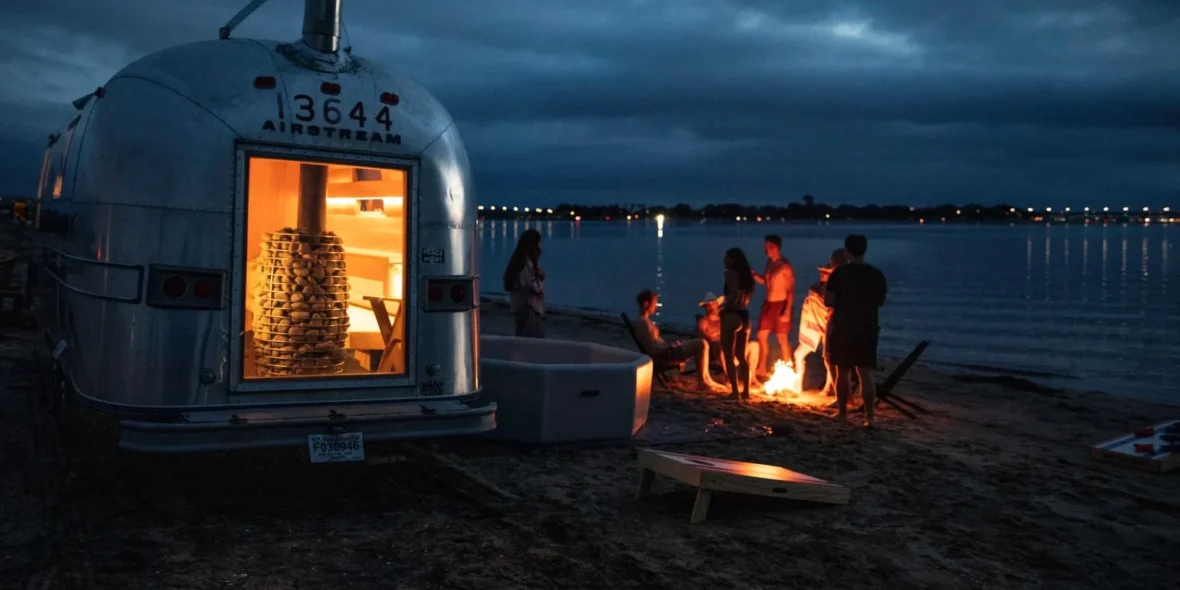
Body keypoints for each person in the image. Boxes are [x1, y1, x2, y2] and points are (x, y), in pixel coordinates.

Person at [824, 234, 887, 427]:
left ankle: (843, 413)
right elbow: (881, 302)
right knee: (865, 373)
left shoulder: (838, 274)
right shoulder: (876, 274)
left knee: (842, 371)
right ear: (865, 250)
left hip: (844, 326)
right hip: (867, 327)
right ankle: (870, 417)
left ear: (846, 251)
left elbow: (828, 301)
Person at [634, 289, 725, 392]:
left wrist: (671, 344)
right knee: (702, 343)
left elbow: (656, 343)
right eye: (654, 302)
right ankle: (703, 381)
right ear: (646, 304)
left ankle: (705, 378)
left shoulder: (647, 322)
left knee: (699, 343)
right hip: (666, 355)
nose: (656, 305)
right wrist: (669, 346)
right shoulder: (642, 323)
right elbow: (652, 349)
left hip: (667, 351)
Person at [794, 248, 854, 395]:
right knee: (799, 354)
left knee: (829, 359)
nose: (821, 273)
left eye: (825, 272)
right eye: (821, 271)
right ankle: (798, 386)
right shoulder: (817, 287)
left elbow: (829, 306)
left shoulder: (834, 289)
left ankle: (829, 388)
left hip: (829, 325)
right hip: (814, 326)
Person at [751, 235, 795, 381]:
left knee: (782, 338)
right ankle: (761, 368)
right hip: (768, 304)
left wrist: (787, 311)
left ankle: (788, 369)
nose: (765, 250)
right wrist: (753, 275)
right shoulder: (769, 262)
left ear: (775, 247)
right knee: (761, 336)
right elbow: (765, 281)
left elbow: (790, 291)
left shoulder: (785, 266)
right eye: (765, 247)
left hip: (781, 304)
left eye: (767, 247)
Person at [696, 292, 761, 384]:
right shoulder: (703, 322)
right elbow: (707, 340)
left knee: (754, 345)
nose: (711, 307)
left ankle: (752, 377)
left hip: (734, 349)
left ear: (717, 304)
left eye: (713, 304)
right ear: (705, 307)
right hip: (718, 352)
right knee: (722, 346)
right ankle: (730, 377)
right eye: (708, 305)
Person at [721, 248, 756, 400]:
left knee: (728, 355)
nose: (724, 261)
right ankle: (746, 391)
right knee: (741, 356)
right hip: (745, 315)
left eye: (726, 258)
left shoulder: (730, 273)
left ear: (733, 260)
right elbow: (745, 297)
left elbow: (734, 294)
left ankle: (735, 392)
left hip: (733, 315)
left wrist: (724, 307)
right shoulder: (748, 277)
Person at [502, 229, 545, 338]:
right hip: (527, 306)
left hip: (525, 305)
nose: (541, 245)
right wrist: (539, 282)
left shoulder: (522, 261)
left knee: (530, 337)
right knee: (529, 339)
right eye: (539, 242)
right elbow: (530, 285)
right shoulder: (524, 263)